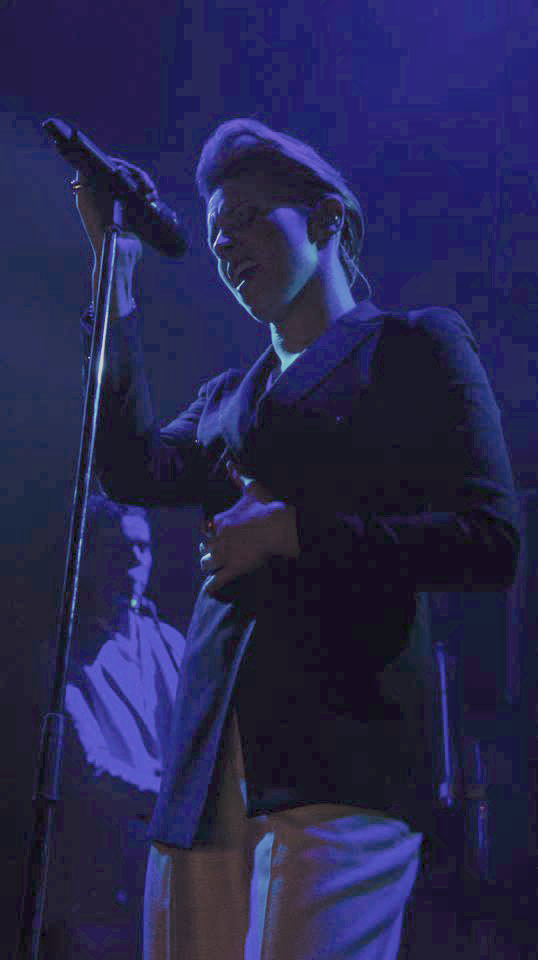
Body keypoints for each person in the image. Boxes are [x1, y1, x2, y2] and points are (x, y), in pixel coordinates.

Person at [72, 117, 520, 960]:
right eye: (216, 234)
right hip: (203, 774)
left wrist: (298, 534)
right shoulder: (225, 400)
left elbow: (489, 541)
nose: (226, 244)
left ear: (325, 219)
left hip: (340, 765)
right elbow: (128, 468)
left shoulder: (413, 348)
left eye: (248, 218)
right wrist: (116, 267)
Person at [44, 494, 185, 959]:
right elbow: (91, 771)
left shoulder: (174, 646)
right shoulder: (66, 656)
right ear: (90, 557)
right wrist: (178, 801)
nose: (132, 562)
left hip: (169, 879)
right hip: (100, 891)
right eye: (118, 549)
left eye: (142, 548)